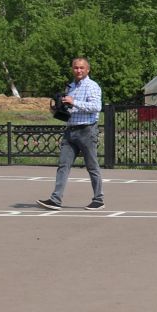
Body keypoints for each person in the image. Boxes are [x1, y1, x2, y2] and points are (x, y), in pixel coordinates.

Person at [38, 56, 105, 211]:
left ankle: (99, 199)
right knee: (63, 165)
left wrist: (74, 102)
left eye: (82, 67)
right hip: (71, 129)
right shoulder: (71, 86)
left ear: (88, 69)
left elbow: (96, 107)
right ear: (72, 69)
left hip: (87, 130)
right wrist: (58, 109)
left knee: (92, 165)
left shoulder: (92, 86)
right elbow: (71, 110)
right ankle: (55, 199)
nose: (78, 70)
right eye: (76, 67)